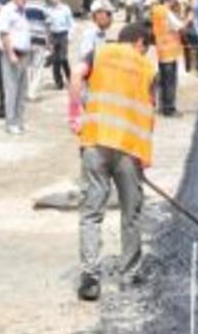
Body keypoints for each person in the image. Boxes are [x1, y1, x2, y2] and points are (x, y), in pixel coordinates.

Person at [68, 22, 157, 302]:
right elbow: (148, 112)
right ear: (139, 42)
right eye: (146, 47)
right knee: (131, 212)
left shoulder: (100, 53)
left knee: (91, 212)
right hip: (128, 150)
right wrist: (145, 156)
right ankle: (129, 274)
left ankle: (90, 278)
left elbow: (75, 75)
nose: (145, 53)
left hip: (95, 142)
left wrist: (75, 113)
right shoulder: (146, 68)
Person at [0, 0, 31, 135]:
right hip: (13, 54)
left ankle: (19, 120)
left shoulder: (23, 11)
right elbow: (4, 33)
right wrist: (10, 53)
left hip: (24, 54)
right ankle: (10, 122)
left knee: (22, 90)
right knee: (12, 90)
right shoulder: (7, 11)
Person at [151, 0, 187, 117]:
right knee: (170, 82)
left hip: (161, 51)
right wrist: (188, 19)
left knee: (163, 82)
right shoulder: (167, 13)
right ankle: (169, 108)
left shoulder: (157, 10)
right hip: (170, 52)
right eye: (176, 3)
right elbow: (180, 27)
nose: (176, 5)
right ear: (171, 1)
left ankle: (162, 106)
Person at [24, 0, 50, 101]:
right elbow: (48, 24)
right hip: (39, 40)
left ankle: (27, 90)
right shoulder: (43, 6)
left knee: (28, 67)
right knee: (38, 67)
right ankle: (32, 92)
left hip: (26, 40)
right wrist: (49, 41)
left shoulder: (24, 5)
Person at [47, 0, 74, 90]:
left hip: (63, 35)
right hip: (54, 36)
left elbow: (71, 23)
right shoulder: (49, 10)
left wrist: (69, 36)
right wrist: (48, 40)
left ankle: (70, 78)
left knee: (63, 58)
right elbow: (47, 26)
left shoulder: (65, 9)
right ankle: (58, 82)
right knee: (55, 60)